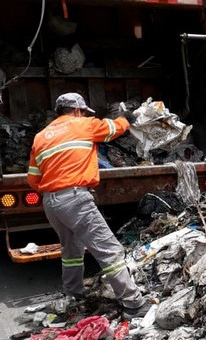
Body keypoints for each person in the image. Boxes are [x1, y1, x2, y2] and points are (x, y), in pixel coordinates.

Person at [27, 93, 149, 319]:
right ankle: (134, 303)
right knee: (108, 249)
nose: (84, 115)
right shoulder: (83, 125)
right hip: (74, 199)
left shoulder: (41, 137)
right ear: (76, 110)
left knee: (71, 249)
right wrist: (128, 118)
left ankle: (73, 293)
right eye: (83, 112)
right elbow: (114, 129)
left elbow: (33, 179)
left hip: (51, 203)